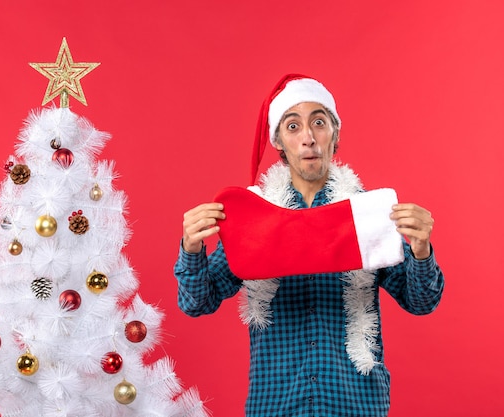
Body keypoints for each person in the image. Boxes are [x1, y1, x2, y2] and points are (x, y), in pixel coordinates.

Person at [173, 74, 444, 417]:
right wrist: (192, 249)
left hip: (355, 402)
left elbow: (421, 302)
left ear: (335, 134)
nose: (308, 138)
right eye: (293, 126)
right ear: (279, 142)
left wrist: (421, 250)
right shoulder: (255, 218)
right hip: (275, 402)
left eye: (319, 122)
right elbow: (197, 302)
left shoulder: (365, 216)